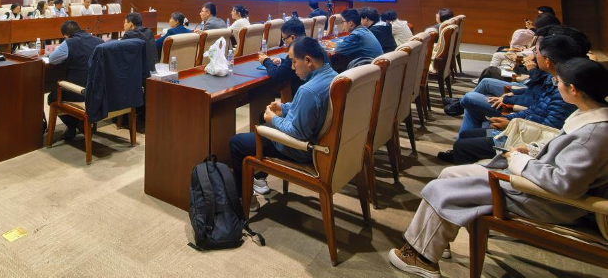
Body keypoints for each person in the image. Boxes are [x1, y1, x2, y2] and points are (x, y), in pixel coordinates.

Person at [388, 58, 608, 278]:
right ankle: (434, 241)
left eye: (558, 81)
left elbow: (565, 185)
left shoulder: (592, 136)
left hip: (545, 200)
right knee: (449, 173)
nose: (555, 84)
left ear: (573, 89)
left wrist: (520, 162)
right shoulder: (589, 115)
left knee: (441, 189)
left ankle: (421, 258)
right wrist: (532, 150)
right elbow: (562, 152)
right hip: (537, 184)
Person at [439, 35, 581, 164]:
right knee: (467, 132)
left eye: (537, 53)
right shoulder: (554, 81)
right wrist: (509, 119)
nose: (533, 56)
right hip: (519, 128)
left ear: (548, 61)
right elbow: (534, 108)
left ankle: (464, 159)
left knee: (463, 142)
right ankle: (461, 150)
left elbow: (545, 129)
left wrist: (510, 122)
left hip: (522, 140)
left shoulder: (563, 91)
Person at [229, 36, 338, 201]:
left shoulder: (308, 91)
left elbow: (297, 133)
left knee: (237, 143)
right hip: (321, 141)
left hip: (302, 149)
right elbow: (309, 109)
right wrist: (284, 108)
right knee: (262, 118)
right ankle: (259, 174)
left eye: (294, 62)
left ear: (308, 61)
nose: (292, 68)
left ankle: (244, 199)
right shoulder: (332, 75)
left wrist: (274, 119)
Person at [48, 20, 105, 141]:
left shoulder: (69, 42)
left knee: (52, 97)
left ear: (66, 35)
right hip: (98, 90)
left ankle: (75, 125)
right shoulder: (99, 41)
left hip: (79, 92)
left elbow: (52, 59)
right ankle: (77, 125)